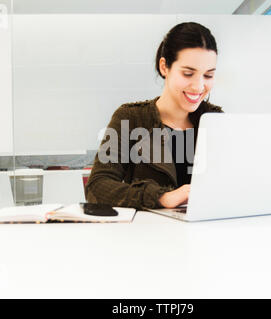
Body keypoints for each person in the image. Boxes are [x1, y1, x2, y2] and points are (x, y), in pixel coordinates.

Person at [85, 22, 223, 210]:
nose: (199, 87)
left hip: (207, 231)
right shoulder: (130, 118)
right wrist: (161, 197)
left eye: (208, 75)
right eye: (188, 73)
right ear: (164, 66)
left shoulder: (216, 120)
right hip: (149, 235)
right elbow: (98, 187)